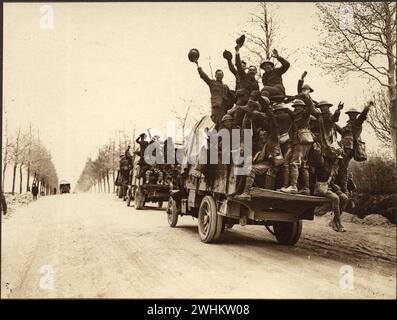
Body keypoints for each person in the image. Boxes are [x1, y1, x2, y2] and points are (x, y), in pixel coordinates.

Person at [235, 96, 284, 200]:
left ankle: (246, 193)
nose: (262, 137)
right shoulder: (260, 143)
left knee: (250, 169)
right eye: (261, 135)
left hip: (271, 165)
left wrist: (266, 107)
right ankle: (241, 190)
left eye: (264, 135)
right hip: (264, 163)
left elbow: (273, 124)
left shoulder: (272, 139)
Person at [282, 94, 318, 195]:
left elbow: (310, 107)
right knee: (304, 165)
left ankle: (293, 186)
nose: (296, 108)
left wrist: (306, 96)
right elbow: (289, 112)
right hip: (304, 141)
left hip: (301, 141)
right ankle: (306, 189)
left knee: (294, 163)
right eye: (295, 107)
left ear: (303, 108)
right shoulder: (295, 115)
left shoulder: (305, 114)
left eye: (299, 107)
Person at [336, 102, 373, 193]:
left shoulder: (357, 123)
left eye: (353, 114)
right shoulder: (348, 124)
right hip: (343, 146)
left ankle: (344, 188)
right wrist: (334, 125)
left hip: (349, 148)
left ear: (356, 115)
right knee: (339, 166)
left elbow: (363, 116)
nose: (351, 115)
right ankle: (342, 186)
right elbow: (343, 132)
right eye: (350, 114)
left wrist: (367, 107)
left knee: (343, 167)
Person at [313, 150, 348, 232]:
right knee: (336, 198)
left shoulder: (334, 167)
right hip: (320, 187)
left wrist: (335, 187)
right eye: (336, 158)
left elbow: (330, 181)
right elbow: (321, 179)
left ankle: (334, 221)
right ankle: (338, 223)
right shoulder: (323, 164)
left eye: (338, 159)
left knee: (344, 198)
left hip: (328, 187)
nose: (337, 160)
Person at [194, 61, 235, 127]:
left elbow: (233, 96)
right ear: (215, 76)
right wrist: (198, 66)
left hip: (225, 108)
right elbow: (204, 77)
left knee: (226, 123)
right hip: (217, 107)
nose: (219, 76)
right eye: (218, 75)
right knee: (221, 123)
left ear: (223, 76)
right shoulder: (212, 83)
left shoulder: (225, 86)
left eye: (221, 75)